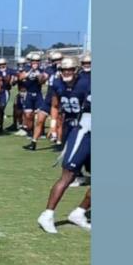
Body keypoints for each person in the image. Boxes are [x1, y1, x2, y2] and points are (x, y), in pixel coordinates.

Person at [38, 55, 91, 233]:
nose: (66, 73)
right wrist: (53, 126)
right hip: (81, 131)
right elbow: (54, 105)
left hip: (88, 128)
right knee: (68, 175)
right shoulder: (58, 84)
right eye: (63, 70)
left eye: (70, 70)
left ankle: (79, 212)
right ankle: (47, 214)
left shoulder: (86, 83)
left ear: (76, 71)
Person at [0, 56, 12, 133]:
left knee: (1, 108)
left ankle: (1, 126)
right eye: (0, 64)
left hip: (5, 91)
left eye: (3, 64)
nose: (2, 65)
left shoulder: (9, 71)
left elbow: (10, 80)